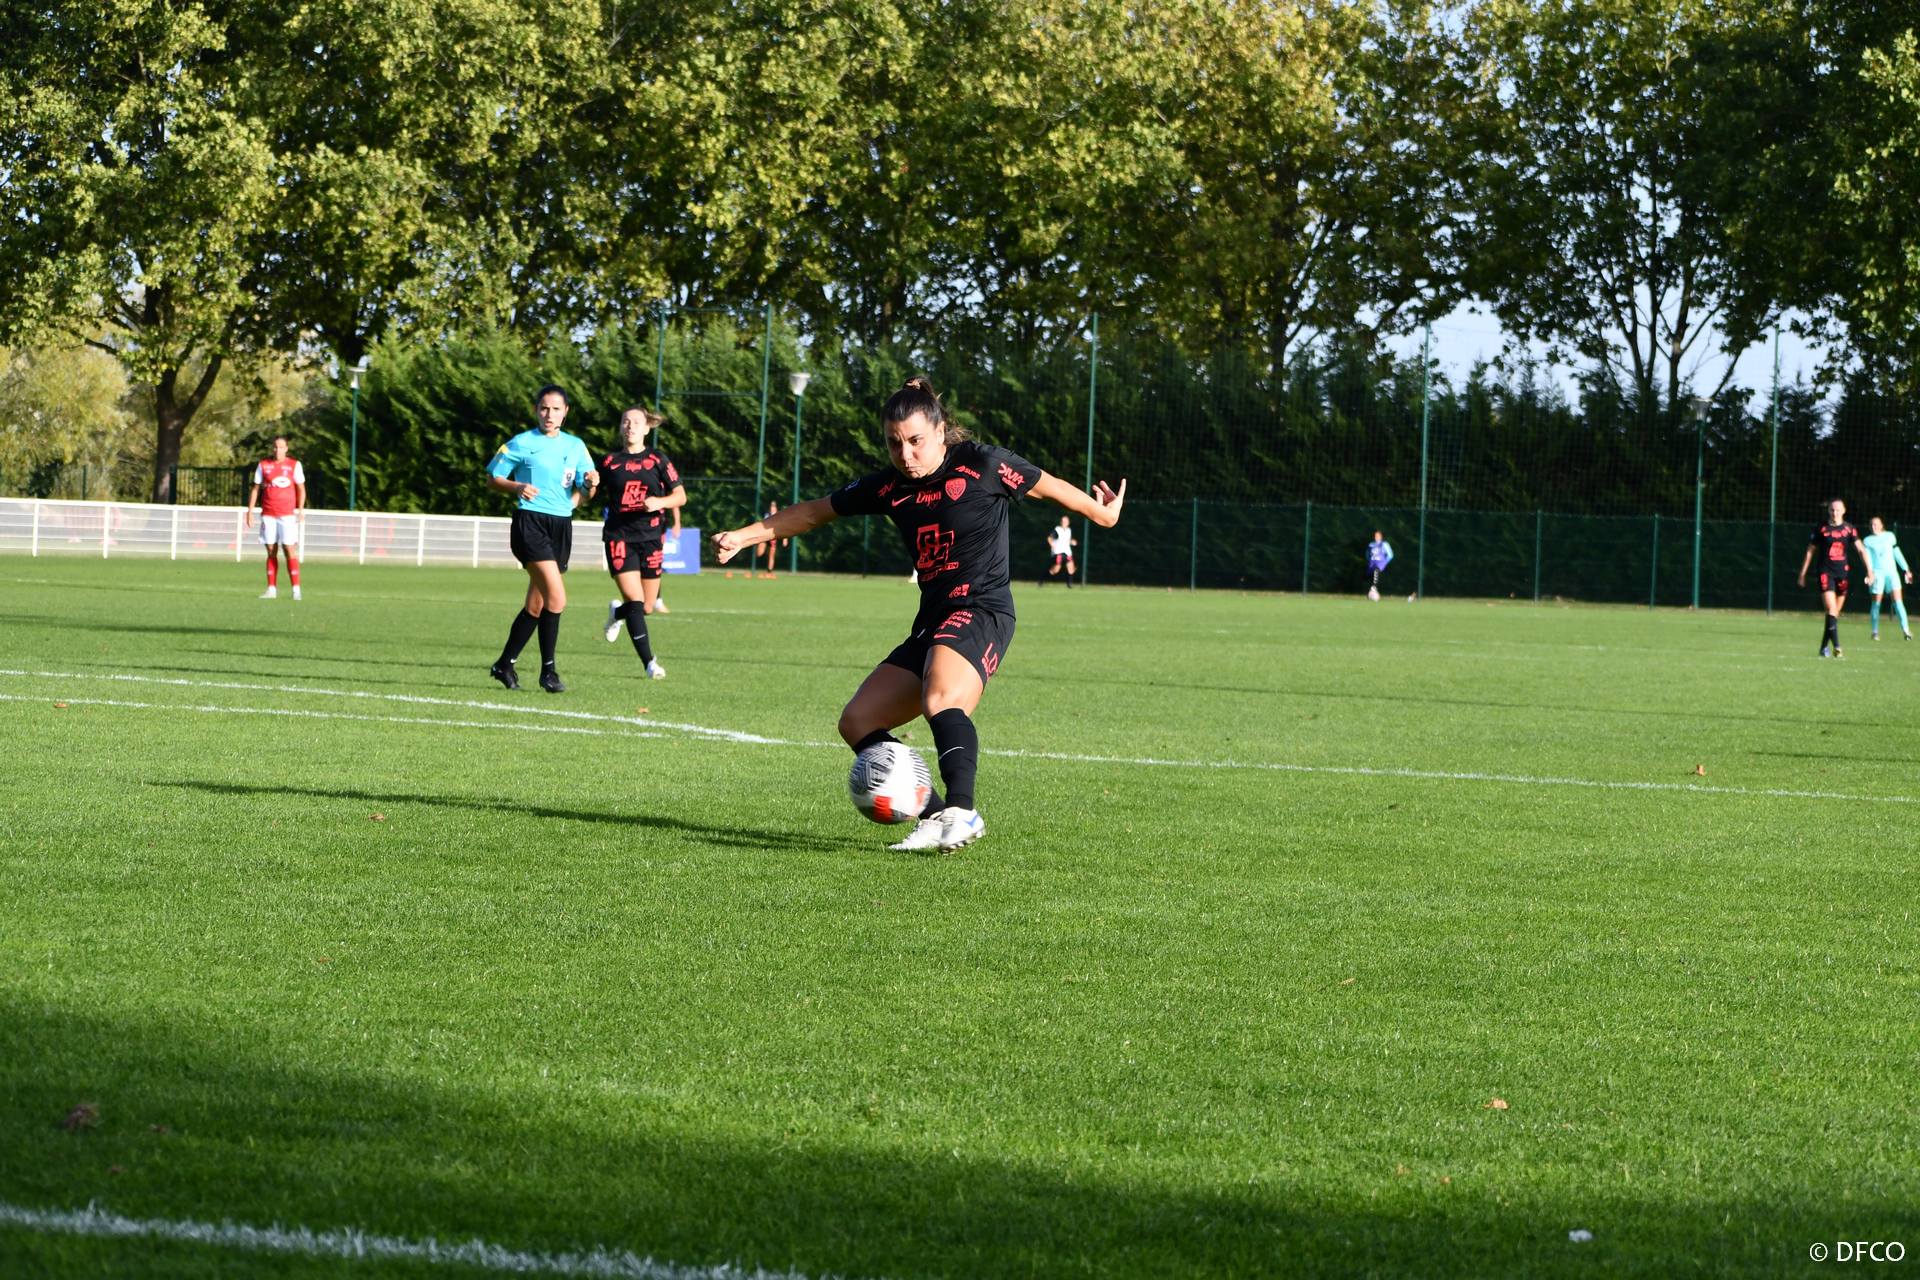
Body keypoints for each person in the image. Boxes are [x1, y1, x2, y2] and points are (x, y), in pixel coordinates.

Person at [712, 376, 1126, 854]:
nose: (905, 454)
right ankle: (932, 815)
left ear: (940, 430)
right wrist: (742, 536)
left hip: (982, 608)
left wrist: (1102, 514)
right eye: (894, 443)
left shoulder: (984, 464)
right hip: (933, 620)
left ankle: (962, 812)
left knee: (940, 697)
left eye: (915, 441)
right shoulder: (889, 487)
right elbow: (814, 512)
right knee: (857, 721)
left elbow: (1048, 488)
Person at [486, 384, 597, 693]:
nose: (549, 414)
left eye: (556, 409)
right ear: (536, 410)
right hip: (530, 524)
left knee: (536, 606)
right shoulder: (522, 442)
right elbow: (493, 478)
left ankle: (504, 664)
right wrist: (517, 487)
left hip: (561, 526)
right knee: (557, 598)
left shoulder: (576, 446)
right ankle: (548, 672)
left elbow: (586, 491)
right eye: (544, 408)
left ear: (565, 412)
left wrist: (590, 484)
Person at [597, 406, 684, 679]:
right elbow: (589, 492)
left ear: (647, 428)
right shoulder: (609, 461)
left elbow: (680, 496)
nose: (630, 426)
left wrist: (659, 502)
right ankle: (650, 663)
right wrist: (586, 485)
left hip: (651, 539)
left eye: (636, 422)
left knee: (646, 606)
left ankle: (616, 613)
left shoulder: (658, 459)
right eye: (626, 421)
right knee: (635, 602)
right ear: (620, 427)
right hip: (619, 537)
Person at [1796, 498, 1876, 659]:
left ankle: (1823, 647)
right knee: (1831, 609)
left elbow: (1861, 550)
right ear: (1828, 511)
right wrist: (1802, 573)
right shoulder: (1821, 528)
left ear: (1844, 511)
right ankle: (1837, 647)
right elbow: (1810, 551)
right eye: (1832, 509)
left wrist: (1870, 571)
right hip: (1825, 573)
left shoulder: (1849, 529)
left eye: (1838, 509)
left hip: (1843, 574)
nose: (1835, 512)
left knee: (1834, 613)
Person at [245, 434, 306, 600]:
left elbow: (301, 489)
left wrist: (300, 510)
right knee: (271, 551)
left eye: (280, 447)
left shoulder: (294, 465)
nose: (277, 450)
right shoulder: (263, 465)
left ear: (286, 449)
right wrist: (249, 511)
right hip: (268, 514)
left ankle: (296, 590)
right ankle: (271, 589)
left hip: (287, 515)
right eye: (275, 447)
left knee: (289, 549)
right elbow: (256, 488)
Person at [1863, 516, 1913, 640]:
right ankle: (1875, 632)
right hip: (1877, 574)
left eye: (1876, 524)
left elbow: (1897, 552)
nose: (1874, 527)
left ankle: (1906, 631)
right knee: (1876, 603)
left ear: (1881, 525)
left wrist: (1906, 569)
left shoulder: (1890, 536)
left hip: (1892, 573)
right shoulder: (1867, 541)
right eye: (1871, 525)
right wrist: (1869, 573)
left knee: (1898, 603)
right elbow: (1868, 558)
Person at [1041, 515, 1077, 587]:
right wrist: (1052, 545)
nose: (1064, 523)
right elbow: (1049, 538)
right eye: (1063, 521)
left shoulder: (1068, 530)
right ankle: (1042, 580)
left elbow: (1066, 540)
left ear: (1068, 522)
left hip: (1067, 552)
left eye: (1066, 521)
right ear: (1061, 522)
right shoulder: (1057, 530)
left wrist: (1072, 542)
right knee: (1056, 570)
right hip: (1058, 552)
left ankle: (1069, 585)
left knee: (1071, 567)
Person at [1366, 530, 1394, 601]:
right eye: (1375, 536)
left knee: (1376, 571)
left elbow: (1390, 555)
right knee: (1370, 577)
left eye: (1377, 536)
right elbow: (1367, 553)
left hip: (1380, 563)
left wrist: (1385, 562)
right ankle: (1372, 593)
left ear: (1381, 537)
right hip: (1372, 563)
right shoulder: (1371, 544)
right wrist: (1369, 560)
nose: (1376, 537)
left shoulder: (1384, 544)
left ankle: (1373, 589)